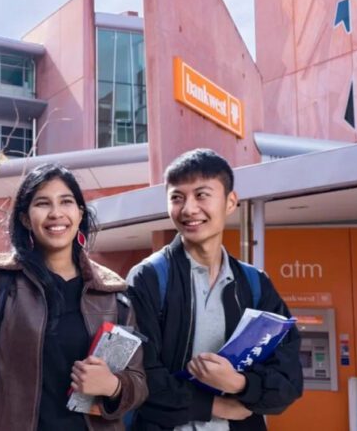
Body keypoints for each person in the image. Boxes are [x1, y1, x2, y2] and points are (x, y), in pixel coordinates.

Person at [126, 149, 303, 430]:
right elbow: (137, 377)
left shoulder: (255, 283)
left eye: (202, 195)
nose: (188, 209)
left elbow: (288, 381)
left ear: (230, 202)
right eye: (177, 197)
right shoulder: (148, 278)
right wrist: (215, 406)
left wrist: (240, 384)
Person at [0, 163, 147, 431]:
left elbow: (138, 381)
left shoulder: (110, 293)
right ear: (26, 218)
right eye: (43, 203)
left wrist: (113, 385)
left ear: (80, 213)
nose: (56, 213)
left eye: (66, 202)